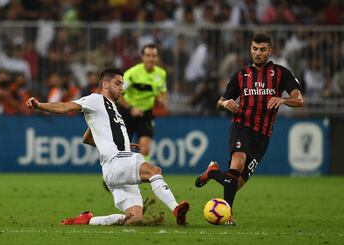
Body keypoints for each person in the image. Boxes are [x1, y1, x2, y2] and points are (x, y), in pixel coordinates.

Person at [26, 68, 189, 226]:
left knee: (134, 219)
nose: (122, 88)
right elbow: (64, 107)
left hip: (117, 169)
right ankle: (176, 209)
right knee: (154, 171)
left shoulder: (113, 109)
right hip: (116, 164)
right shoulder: (95, 100)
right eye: (118, 83)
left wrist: (122, 144)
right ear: (105, 84)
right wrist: (39, 105)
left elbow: (87, 138)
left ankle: (88, 220)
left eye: (122, 84)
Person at [194, 33, 304, 225]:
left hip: (263, 135)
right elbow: (220, 102)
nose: (258, 53)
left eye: (262, 49)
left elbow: (299, 99)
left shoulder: (281, 73)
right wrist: (226, 102)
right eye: (254, 49)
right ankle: (228, 215)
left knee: (234, 183)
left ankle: (212, 172)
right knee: (237, 163)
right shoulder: (241, 75)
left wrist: (283, 99)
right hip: (241, 125)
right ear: (250, 49)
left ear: (270, 50)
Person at [118, 43, 168, 161]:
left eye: (153, 56)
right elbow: (118, 95)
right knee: (123, 148)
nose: (151, 58)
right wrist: (131, 108)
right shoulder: (132, 73)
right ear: (142, 57)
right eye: (148, 55)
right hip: (127, 112)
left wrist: (162, 100)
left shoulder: (161, 74)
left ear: (157, 58)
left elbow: (163, 92)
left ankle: (142, 174)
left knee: (145, 147)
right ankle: (114, 175)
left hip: (146, 113)